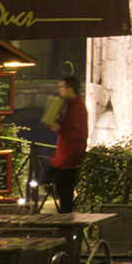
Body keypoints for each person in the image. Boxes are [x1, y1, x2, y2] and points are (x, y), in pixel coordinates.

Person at [48, 76, 88, 214]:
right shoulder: (69, 104)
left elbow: (78, 134)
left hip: (69, 158)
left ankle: (66, 225)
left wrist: (58, 127)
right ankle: (64, 222)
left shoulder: (77, 107)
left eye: (62, 87)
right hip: (63, 156)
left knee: (65, 195)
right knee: (60, 191)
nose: (59, 90)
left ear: (70, 89)